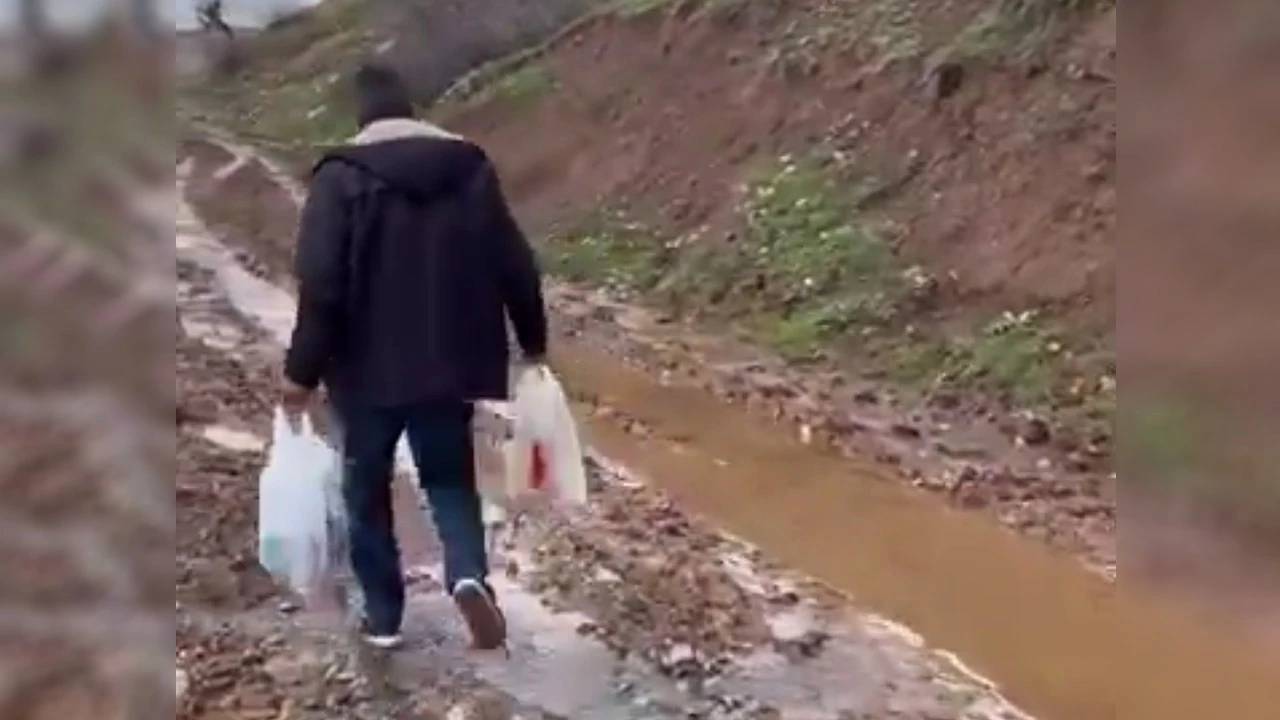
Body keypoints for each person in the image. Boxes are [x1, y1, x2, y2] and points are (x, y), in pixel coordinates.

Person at [279, 63, 548, 651]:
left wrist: (300, 373)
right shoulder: (468, 166)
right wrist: (533, 344)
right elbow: (515, 262)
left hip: (363, 369)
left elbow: (321, 285)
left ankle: (383, 617)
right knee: (450, 479)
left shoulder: (340, 177)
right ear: (413, 108)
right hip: (450, 360)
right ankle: (469, 576)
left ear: (362, 115)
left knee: (366, 488)